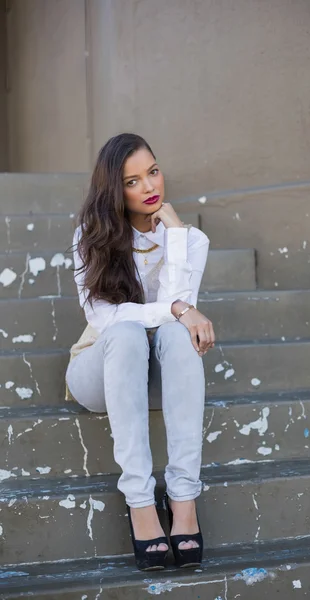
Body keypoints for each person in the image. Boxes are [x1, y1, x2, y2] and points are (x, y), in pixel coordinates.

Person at [65, 133, 215, 571]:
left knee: (177, 336)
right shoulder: (89, 237)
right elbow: (103, 318)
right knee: (130, 330)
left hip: (158, 379)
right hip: (101, 372)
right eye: (133, 181)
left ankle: (184, 497)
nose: (150, 187)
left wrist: (175, 239)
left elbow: (175, 317)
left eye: (153, 171)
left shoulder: (189, 241)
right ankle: (140, 501)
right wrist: (175, 307)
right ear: (114, 190)